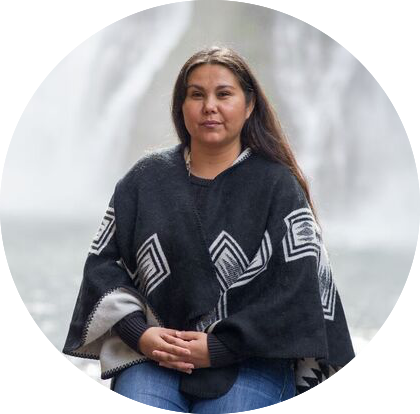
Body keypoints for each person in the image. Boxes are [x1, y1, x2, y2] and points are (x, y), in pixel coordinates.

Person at [63, 46, 355, 411]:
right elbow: (104, 266)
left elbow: (298, 289)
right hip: (157, 354)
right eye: (196, 95)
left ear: (249, 106)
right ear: (181, 106)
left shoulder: (278, 187)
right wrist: (141, 334)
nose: (209, 106)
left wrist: (221, 347)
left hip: (254, 358)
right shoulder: (145, 179)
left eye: (224, 94)